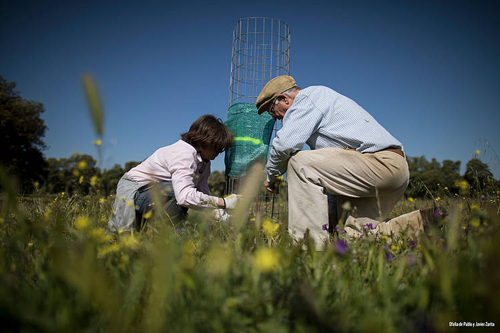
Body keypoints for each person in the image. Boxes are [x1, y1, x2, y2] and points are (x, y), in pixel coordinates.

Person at [256, 75, 425, 249]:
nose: (275, 117)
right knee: (354, 241)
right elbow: (327, 178)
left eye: (271, 110)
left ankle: (308, 250)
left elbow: (284, 144)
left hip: (380, 164)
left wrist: (272, 176)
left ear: (284, 99)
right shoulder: (320, 120)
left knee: (298, 162)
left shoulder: (309, 98)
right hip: (382, 172)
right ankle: (422, 222)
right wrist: (331, 225)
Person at [108, 114, 238, 232]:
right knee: (176, 191)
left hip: (152, 191)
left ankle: (166, 230)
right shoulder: (184, 153)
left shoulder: (205, 162)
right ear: (204, 140)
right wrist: (224, 202)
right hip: (135, 189)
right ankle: (164, 230)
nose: (218, 152)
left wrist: (221, 215)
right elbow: (184, 196)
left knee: (184, 193)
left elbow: (203, 194)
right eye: (216, 147)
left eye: (220, 149)